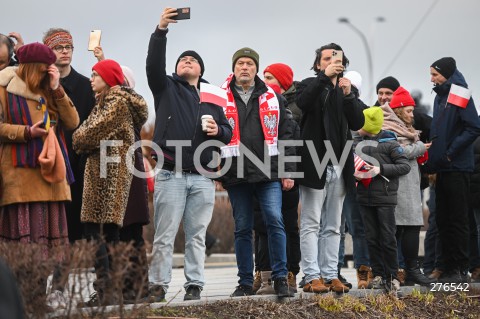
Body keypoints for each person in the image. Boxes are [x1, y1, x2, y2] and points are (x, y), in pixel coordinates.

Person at [146, 7, 232, 302]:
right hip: (171, 173)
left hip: (203, 178)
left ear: (201, 70)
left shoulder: (212, 96)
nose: (187, 61)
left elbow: (228, 131)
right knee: (164, 235)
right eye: (183, 59)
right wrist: (161, 31)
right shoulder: (165, 86)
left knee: (196, 236)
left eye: (193, 60)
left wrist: (216, 132)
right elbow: (154, 64)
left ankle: (194, 285)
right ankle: (157, 286)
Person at [0, 42, 79, 306]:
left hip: (52, 176)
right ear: (33, 67)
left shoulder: (50, 89)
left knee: (47, 248)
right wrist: (26, 132)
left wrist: (57, 88)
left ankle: (38, 299)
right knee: (23, 247)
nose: (50, 72)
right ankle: (23, 301)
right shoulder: (3, 86)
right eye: (46, 68)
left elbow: (72, 122)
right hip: (20, 176)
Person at [217, 47, 295, 298]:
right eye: (240, 63)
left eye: (250, 63)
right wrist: (216, 169)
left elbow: (287, 135)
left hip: (268, 171)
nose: (245, 67)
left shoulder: (272, 96)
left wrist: (288, 170)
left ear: (256, 68)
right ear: (234, 67)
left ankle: (281, 278)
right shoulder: (219, 97)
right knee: (242, 227)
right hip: (235, 170)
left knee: (274, 219)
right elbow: (212, 134)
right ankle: (244, 282)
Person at [73, 59, 148, 306]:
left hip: (107, 179)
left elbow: (86, 135)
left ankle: (108, 291)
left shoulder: (115, 103)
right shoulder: (107, 102)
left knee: (100, 235)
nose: (91, 79)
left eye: (96, 75)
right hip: (105, 177)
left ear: (109, 79)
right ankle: (109, 290)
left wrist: (78, 137)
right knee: (105, 235)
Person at [296, 43, 364, 294]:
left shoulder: (346, 90)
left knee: (335, 225)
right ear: (318, 65)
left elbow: (358, 121)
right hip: (315, 161)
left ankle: (330, 274)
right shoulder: (308, 85)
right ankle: (311, 275)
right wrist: (324, 79)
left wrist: (349, 96)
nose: (332, 62)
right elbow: (303, 103)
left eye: (337, 59)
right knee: (311, 222)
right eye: (326, 59)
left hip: (341, 163)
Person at [93, 46, 151, 303]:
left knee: (129, 236)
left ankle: (134, 290)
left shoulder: (123, 105)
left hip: (125, 177)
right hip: (117, 176)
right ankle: (126, 290)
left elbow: (88, 136)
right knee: (118, 236)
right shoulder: (114, 105)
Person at [426, 57, 480, 283]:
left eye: (435, 75)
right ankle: (446, 266)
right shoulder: (440, 96)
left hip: (457, 167)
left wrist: (450, 152)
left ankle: (459, 268)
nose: (432, 79)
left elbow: (473, 127)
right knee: (443, 220)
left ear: (446, 74)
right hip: (442, 168)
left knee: (458, 220)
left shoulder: (459, 93)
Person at [250, 63, 301, 294]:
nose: (266, 82)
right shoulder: (258, 101)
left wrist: (287, 171)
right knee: (260, 225)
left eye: (271, 78)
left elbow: (290, 142)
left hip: (285, 173)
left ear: (283, 83)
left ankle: (290, 271)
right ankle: (262, 270)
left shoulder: (291, 107)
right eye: (265, 77)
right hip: (260, 171)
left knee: (287, 224)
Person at [43, 28, 96, 243]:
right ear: (48, 51)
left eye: (68, 47)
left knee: (76, 225)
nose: (65, 52)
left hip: (78, 164)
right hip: (48, 161)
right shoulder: (40, 85)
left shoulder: (86, 86)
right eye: (58, 48)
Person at [381, 86, 434, 286]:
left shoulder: (407, 128)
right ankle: (393, 272)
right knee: (396, 229)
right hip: (397, 186)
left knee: (412, 226)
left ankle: (412, 270)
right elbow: (395, 151)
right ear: (399, 110)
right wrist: (420, 147)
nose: (413, 115)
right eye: (409, 111)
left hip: (411, 185)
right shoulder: (387, 127)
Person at [355, 107, 411, 294]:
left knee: (388, 237)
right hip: (364, 197)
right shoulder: (357, 142)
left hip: (385, 198)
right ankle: (378, 274)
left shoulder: (390, 143)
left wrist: (381, 169)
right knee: (371, 238)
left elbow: (404, 167)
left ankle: (393, 276)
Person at [339, 71, 371, 289]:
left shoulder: (363, 109)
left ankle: (362, 270)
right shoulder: (331, 105)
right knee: (336, 226)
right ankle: (336, 272)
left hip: (353, 175)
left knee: (353, 225)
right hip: (335, 170)